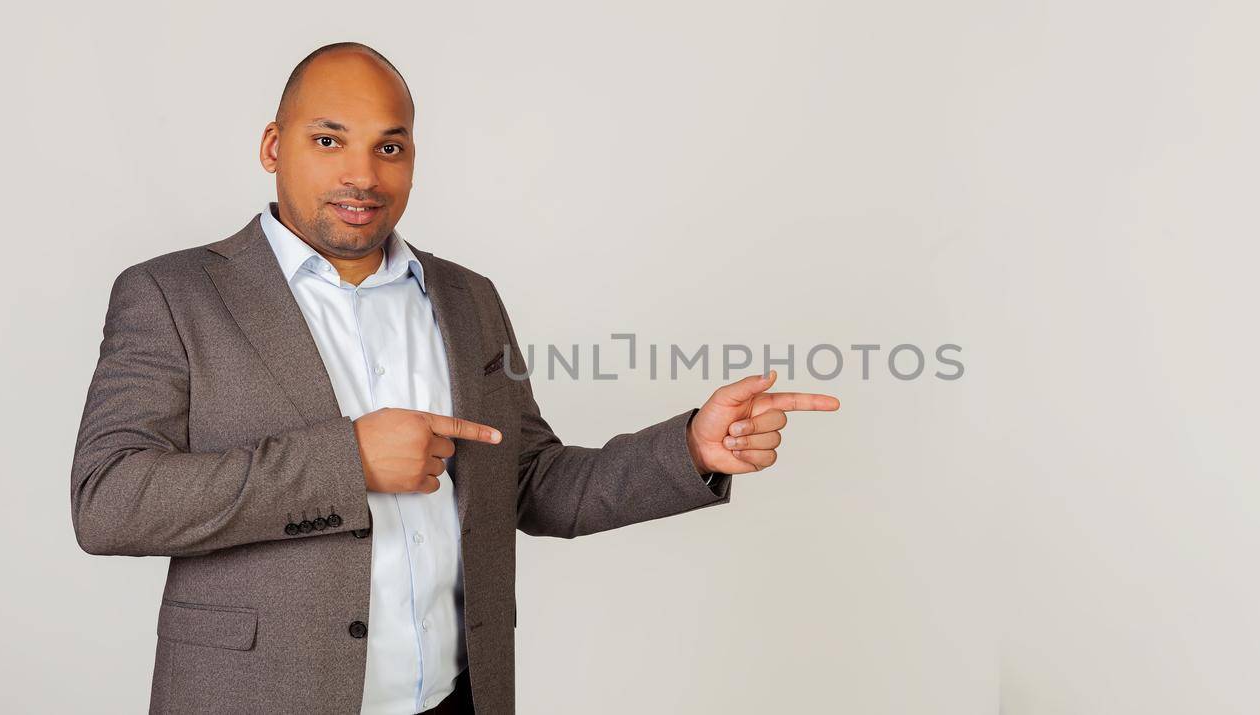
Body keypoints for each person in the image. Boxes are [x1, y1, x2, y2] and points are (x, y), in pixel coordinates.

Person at [69, 41, 840, 714]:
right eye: (329, 139)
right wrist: (350, 461)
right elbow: (109, 501)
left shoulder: (468, 298)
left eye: (390, 147)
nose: (361, 173)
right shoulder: (173, 295)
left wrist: (691, 449)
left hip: (457, 699)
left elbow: (532, 480)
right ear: (273, 145)